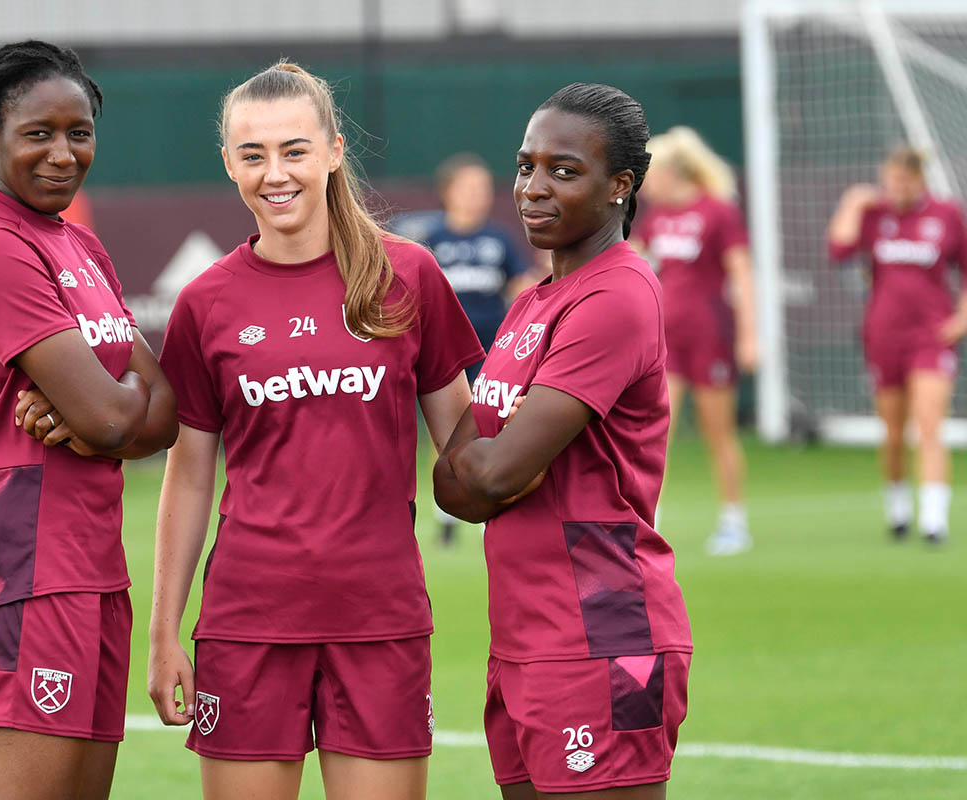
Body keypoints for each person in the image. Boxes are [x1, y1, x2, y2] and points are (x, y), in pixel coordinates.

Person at [147, 62, 483, 800]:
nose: (276, 173)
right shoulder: (205, 304)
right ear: (229, 162)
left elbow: (469, 455)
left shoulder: (407, 276)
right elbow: (191, 473)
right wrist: (163, 631)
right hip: (247, 621)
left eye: (295, 150)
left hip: (381, 619)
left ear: (334, 151)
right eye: (253, 154)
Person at [0, 40, 178, 800]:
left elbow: (161, 414)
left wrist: (114, 410)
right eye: (39, 132)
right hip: (24, 566)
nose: (63, 153)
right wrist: (114, 410)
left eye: (80, 132)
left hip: (96, 564)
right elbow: (116, 418)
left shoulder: (79, 244)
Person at [433, 83, 691, 799]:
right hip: (522, 634)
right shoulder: (530, 304)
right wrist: (479, 471)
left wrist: (482, 471)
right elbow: (457, 482)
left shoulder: (617, 295)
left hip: (602, 631)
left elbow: (485, 475)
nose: (532, 189)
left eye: (564, 171)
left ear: (620, 187)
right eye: (525, 167)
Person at [828, 146, 967, 544]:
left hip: (931, 337)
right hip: (883, 337)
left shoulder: (946, 214)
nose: (897, 189)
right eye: (891, 181)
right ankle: (899, 507)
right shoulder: (875, 214)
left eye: (905, 181)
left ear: (920, 179)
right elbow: (838, 250)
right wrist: (852, 204)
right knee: (892, 432)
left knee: (929, 423)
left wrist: (961, 318)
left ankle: (934, 519)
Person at [636, 126, 756, 556]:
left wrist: (749, 336)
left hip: (710, 336)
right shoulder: (656, 218)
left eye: (653, 174)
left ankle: (733, 521)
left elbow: (741, 272)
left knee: (717, 431)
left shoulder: (718, 212)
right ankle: (650, 522)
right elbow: (633, 261)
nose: (646, 184)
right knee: (654, 434)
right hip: (667, 342)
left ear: (674, 172)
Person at [425, 153, 530, 547]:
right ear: (448, 192)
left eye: (483, 189)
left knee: (495, 432)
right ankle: (447, 515)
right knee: (449, 437)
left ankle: (494, 504)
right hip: (448, 359)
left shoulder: (499, 239)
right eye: (468, 188)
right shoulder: (431, 242)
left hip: (493, 356)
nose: (476, 196)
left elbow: (523, 289)